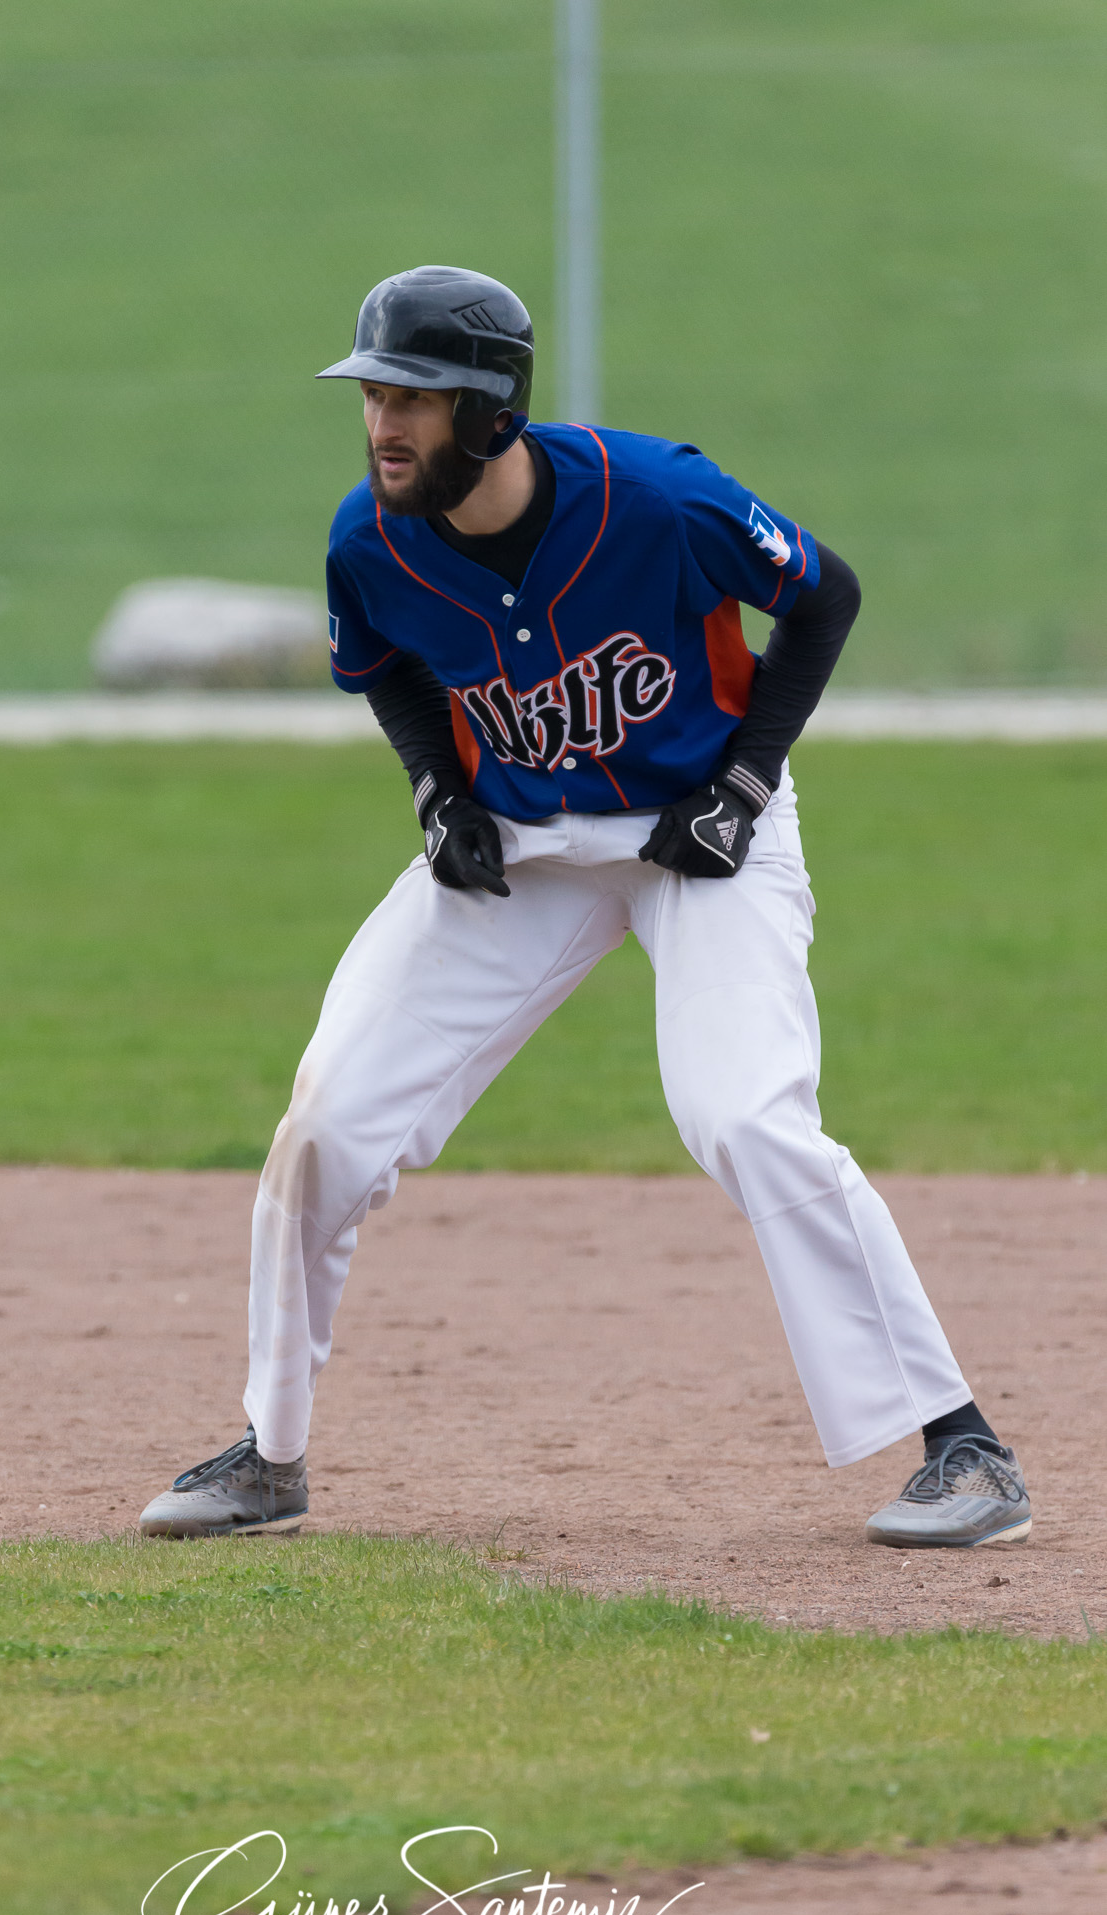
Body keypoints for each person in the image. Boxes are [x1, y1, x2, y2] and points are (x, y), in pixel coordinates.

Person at [139, 266, 1030, 1553]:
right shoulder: (368, 538)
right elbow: (384, 669)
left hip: (700, 837)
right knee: (325, 1122)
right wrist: (440, 794)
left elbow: (821, 592)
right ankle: (270, 1455)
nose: (384, 422)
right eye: (375, 392)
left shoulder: (653, 499)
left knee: (742, 1112)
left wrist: (742, 777)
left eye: (416, 398)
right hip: (521, 845)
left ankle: (966, 1446)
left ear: (492, 411)